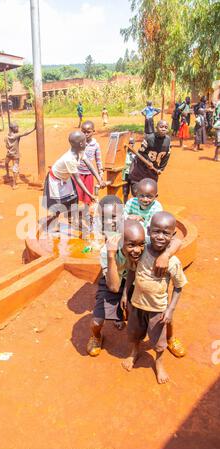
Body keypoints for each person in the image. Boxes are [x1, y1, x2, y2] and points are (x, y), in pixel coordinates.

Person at [87, 210, 183, 357]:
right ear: (120, 242)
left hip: (137, 281)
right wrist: (112, 256)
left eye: (141, 245)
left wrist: (165, 255)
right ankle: (97, 336)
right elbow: (113, 287)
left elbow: (176, 240)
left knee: (161, 311)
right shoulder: (107, 252)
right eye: (131, 245)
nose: (137, 250)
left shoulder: (144, 237)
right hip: (114, 280)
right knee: (96, 322)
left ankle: (169, 337)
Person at [121, 212, 187, 384]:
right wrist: (124, 294)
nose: (160, 236)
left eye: (166, 233)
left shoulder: (172, 262)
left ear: (172, 235)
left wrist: (170, 309)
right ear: (149, 231)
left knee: (158, 341)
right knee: (135, 332)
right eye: (156, 231)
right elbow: (131, 272)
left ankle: (159, 362)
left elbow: (179, 286)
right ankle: (134, 352)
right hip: (137, 304)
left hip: (157, 309)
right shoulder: (141, 251)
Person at [42, 131, 104, 233]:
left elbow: (90, 165)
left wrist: (99, 179)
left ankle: (75, 221)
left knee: (73, 199)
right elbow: (78, 179)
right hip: (55, 180)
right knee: (58, 203)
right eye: (84, 142)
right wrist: (90, 195)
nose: (86, 143)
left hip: (66, 178)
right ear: (81, 144)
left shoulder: (80, 151)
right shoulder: (69, 159)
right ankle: (55, 224)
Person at [75, 121, 105, 234]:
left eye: (88, 132)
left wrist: (100, 175)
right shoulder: (78, 143)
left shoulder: (95, 145)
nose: (86, 134)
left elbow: (98, 160)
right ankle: (76, 219)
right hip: (77, 175)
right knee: (76, 198)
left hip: (88, 176)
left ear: (93, 132)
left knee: (88, 200)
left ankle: (87, 220)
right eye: (83, 132)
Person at [129, 120, 171, 196]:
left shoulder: (168, 141)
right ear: (156, 128)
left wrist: (161, 169)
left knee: (150, 192)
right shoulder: (149, 138)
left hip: (153, 170)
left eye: (166, 127)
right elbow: (141, 153)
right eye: (161, 127)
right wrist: (147, 161)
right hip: (141, 168)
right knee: (137, 192)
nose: (163, 129)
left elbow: (166, 156)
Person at [4, 122, 36, 189]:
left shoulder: (6, 137)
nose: (18, 128)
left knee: (6, 163)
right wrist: (33, 129)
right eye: (16, 127)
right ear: (13, 129)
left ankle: (7, 174)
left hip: (9, 154)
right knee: (15, 168)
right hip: (15, 155)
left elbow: (7, 146)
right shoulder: (16, 136)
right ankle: (14, 185)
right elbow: (25, 133)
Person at [122, 136, 136, 204]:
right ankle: (125, 206)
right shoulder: (123, 154)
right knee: (125, 192)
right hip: (125, 175)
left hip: (133, 175)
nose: (130, 145)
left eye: (132, 143)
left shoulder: (136, 154)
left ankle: (134, 207)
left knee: (135, 192)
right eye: (129, 143)